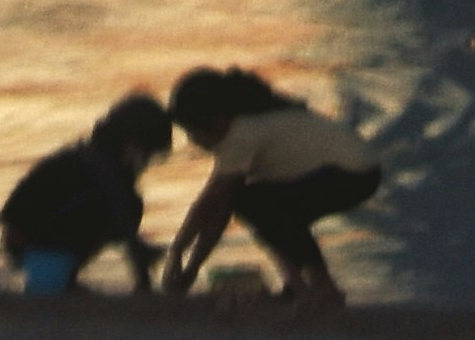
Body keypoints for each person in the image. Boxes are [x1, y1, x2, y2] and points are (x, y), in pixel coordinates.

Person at [156, 65, 381, 306]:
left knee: (256, 205)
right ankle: (305, 286)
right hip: (360, 170)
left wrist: (177, 250)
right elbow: (220, 211)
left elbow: (209, 202)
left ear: (218, 122)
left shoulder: (241, 135)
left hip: (349, 173)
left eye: (192, 132)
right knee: (271, 211)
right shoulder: (251, 124)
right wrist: (192, 268)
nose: (192, 141)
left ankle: (316, 287)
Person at [0, 90, 175, 297]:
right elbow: (123, 221)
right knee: (124, 206)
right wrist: (144, 281)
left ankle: (59, 278)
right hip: (31, 241)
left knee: (122, 206)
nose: (146, 164)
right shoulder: (107, 172)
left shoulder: (88, 157)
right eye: (148, 155)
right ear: (133, 146)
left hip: (22, 234)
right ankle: (52, 283)